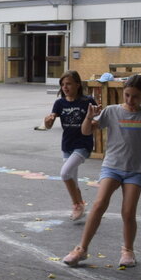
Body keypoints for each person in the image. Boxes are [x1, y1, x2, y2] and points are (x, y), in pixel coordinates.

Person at [63, 75, 141, 268]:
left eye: (135, 97)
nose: (130, 100)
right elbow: (87, 131)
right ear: (123, 92)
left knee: (128, 212)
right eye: (127, 95)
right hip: (112, 167)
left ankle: (128, 250)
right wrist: (89, 116)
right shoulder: (112, 111)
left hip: (135, 170)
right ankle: (81, 249)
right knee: (98, 204)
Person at [43, 70, 95, 223]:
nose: (65, 87)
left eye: (69, 84)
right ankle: (80, 205)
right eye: (63, 84)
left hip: (83, 144)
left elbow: (98, 120)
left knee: (65, 174)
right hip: (67, 145)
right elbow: (48, 126)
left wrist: (94, 120)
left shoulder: (87, 101)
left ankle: (77, 205)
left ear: (78, 85)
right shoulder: (60, 103)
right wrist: (48, 119)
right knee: (72, 178)